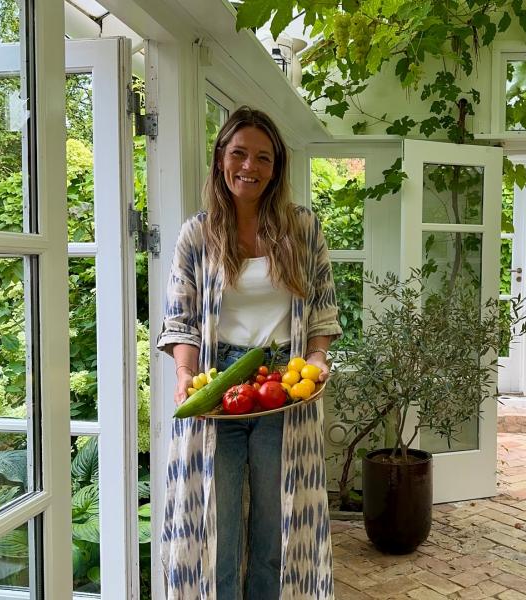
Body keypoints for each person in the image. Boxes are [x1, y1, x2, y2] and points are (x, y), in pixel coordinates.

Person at [156, 105, 341, 599]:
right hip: (220, 385)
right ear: (220, 159)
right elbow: (180, 319)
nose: (250, 167)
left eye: (263, 157)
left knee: (275, 523)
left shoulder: (302, 228)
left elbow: (322, 311)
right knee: (217, 525)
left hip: (285, 384)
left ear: (276, 167)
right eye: (239, 154)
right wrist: (185, 374)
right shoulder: (197, 234)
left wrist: (318, 360)